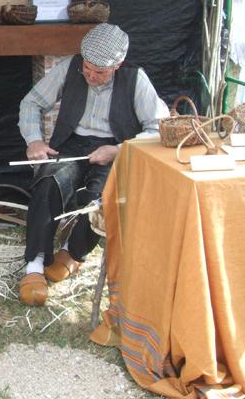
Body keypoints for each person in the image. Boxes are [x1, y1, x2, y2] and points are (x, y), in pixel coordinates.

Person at [17, 23, 168, 306]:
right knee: (47, 183)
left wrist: (118, 150)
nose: (91, 75)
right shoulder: (70, 67)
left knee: (99, 198)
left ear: (118, 65)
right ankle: (34, 265)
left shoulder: (136, 80)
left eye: (100, 72)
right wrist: (34, 141)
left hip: (115, 146)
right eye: (87, 68)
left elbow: (159, 126)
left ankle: (72, 253)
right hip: (73, 143)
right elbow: (32, 103)